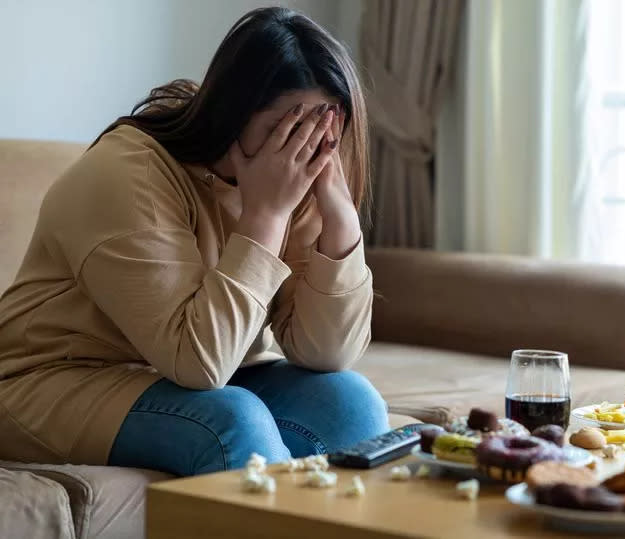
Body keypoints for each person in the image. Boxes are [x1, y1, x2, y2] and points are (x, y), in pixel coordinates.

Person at [0, 7, 389, 476]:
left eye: (319, 131)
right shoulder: (127, 172)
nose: (301, 149)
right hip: (56, 381)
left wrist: (341, 219)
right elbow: (200, 364)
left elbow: (325, 353)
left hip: (184, 377)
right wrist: (265, 216)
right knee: (230, 422)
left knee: (351, 405)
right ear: (232, 113)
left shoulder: (300, 182)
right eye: (284, 130)